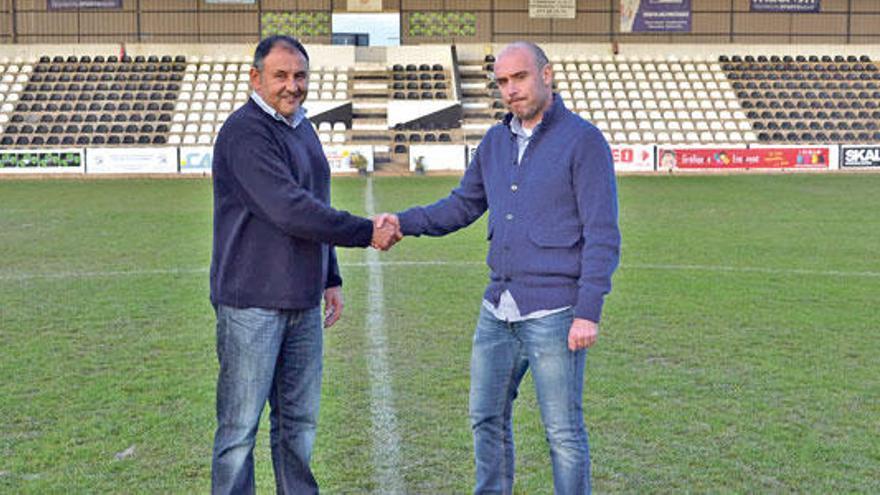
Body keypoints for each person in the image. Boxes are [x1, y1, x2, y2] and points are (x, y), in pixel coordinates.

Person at [378, 42, 621, 494]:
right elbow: (461, 206)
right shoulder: (494, 141)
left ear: (546, 75)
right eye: (502, 82)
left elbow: (603, 233)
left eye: (520, 78)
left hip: (555, 313)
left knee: (563, 433)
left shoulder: (583, 141)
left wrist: (588, 310)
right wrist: (403, 223)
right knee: (485, 419)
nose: (511, 90)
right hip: (498, 310)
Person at [209, 35, 399, 494]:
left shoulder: (302, 127)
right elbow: (289, 209)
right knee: (239, 431)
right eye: (281, 76)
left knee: (298, 427)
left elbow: (316, 202)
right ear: (256, 78)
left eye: (300, 76)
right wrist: (364, 231)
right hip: (252, 303)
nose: (292, 86)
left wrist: (329, 276)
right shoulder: (245, 132)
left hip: (301, 300)